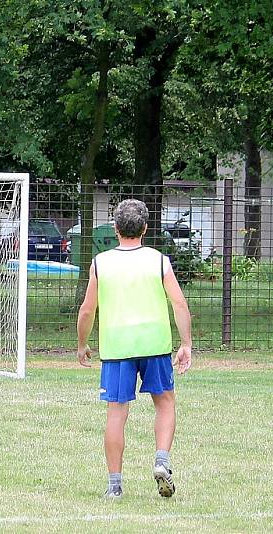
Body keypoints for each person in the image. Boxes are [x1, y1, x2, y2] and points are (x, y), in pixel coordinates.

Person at [76, 199, 192, 499]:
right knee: (165, 402)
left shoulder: (100, 263)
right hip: (155, 344)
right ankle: (161, 461)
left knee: (117, 412)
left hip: (117, 347)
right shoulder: (159, 261)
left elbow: (87, 310)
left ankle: (114, 485)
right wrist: (186, 344)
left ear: (115, 228)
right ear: (145, 228)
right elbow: (179, 303)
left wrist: (82, 344)